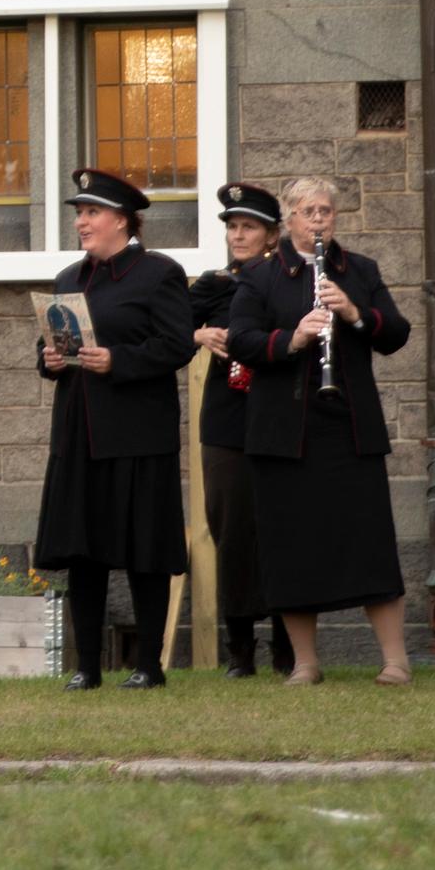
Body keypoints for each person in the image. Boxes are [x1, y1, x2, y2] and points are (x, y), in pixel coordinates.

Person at [227, 176, 415, 685]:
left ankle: (395, 661)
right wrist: (292, 338)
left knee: (370, 541)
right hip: (284, 432)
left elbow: (396, 333)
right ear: (287, 220)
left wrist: (356, 313)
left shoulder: (360, 270)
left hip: (349, 426)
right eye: (308, 212)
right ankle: (306, 663)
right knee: (291, 546)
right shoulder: (260, 278)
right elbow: (241, 338)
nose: (318, 220)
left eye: (326, 211)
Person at [33, 167, 197, 690]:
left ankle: (148, 665)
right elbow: (51, 346)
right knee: (85, 549)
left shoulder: (158, 273)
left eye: (91, 213)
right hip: (79, 433)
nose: (82, 222)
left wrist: (117, 360)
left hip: (136, 434)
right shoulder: (68, 279)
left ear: (122, 221)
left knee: (143, 547)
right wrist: (49, 361)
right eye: (80, 214)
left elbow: (177, 344)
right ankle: (86, 668)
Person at [190, 181, 288, 677]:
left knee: (282, 527)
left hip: (278, 415)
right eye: (232, 226)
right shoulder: (214, 285)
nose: (238, 234)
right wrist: (198, 332)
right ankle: (241, 649)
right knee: (231, 530)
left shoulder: (287, 281)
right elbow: (167, 333)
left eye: (248, 226)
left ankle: (289, 647)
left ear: (272, 233)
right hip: (227, 422)